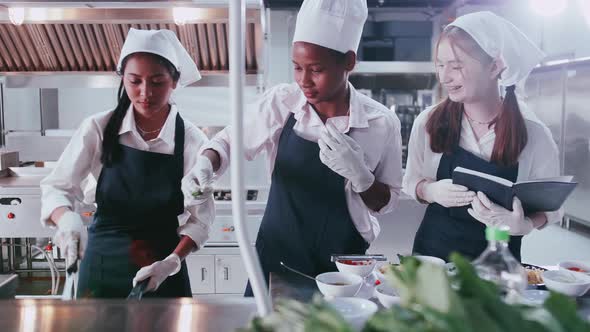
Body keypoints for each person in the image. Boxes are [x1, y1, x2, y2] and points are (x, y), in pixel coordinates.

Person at [183, 0, 402, 296]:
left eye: (316, 69)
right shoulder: (282, 103)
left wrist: (362, 178)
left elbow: (385, 203)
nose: (303, 81)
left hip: (344, 270)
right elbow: (227, 141)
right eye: (297, 67)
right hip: (278, 258)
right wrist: (206, 163)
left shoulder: (381, 122)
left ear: (349, 62)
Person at [41, 28, 215, 298]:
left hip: (159, 267)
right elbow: (57, 187)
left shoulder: (192, 141)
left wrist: (172, 262)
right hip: (100, 261)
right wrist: (67, 219)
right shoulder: (98, 127)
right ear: (123, 79)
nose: (145, 92)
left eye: (157, 82)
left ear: (174, 81)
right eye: (135, 81)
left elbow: (200, 221)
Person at [403, 11, 562, 262]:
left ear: (495, 66)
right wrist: (430, 191)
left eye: (456, 66)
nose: (444, 77)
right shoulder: (428, 122)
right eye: (440, 65)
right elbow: (411, 181)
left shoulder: (534, 134)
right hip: (433, 256)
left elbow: (553, 206)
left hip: (500, 265)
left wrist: (526, 224)